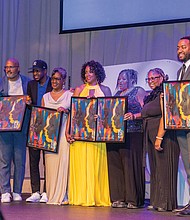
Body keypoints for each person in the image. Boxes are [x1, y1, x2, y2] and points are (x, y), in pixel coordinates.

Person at [127, 68, 179, 212]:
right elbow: (146, 113)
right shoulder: (151, 95)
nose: (151, 81)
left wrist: (159, 137)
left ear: (162, 77)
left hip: (164, 136)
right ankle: (156, 201)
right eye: (149, 79)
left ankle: (166, 202)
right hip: (150, 133)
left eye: (154, 78)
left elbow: (166, 115)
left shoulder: (165, 93)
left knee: (164, 168)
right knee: (155, 169)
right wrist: (134, 116)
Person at [66, 60, 111, 206]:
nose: (88, 74)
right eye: (85, 72)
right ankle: (81, 197)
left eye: (90, 71)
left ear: (97, 73)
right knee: (80, 167)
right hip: (80, 135)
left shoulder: (105, 90)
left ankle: (95, 196)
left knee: (95, 166)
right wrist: (68, 132)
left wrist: (100, 113)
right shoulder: (79, 89)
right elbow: (73, 112)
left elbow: (110, 112)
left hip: (97, 136)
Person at [107, 69, 147, 208]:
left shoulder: (138, 91)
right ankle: (119, 197)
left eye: (124, 79)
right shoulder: (117, 94)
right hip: (117, 134)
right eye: (119, 79)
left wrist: (134, 115)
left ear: (132, 79)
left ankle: (133, 199)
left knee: (130, 165)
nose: (120, 81)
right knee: (116, 165)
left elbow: (146, 111)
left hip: (133, 132)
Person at [0, 58, 30, 203]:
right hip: (4, 127)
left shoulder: (27, 82)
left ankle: (17, 190)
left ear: (18, 68)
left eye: (11, 67)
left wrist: (30, 101)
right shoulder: (1, 82)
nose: (8, 70)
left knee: (19, 160)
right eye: (6, 67)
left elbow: (36, 100)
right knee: (4, 160)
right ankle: (5, 191)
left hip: (21, 126)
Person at [41, 67, 72, 205]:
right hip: (49, 136)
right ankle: (51, 194)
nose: (54, 81)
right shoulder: (45, 97)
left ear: (63, 80)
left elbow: (74, 114)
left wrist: (65, 111)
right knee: (51, 165)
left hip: (62, 135)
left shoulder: (69, 95)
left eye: (58, 79)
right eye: (53, 78)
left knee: (63, 164)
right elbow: (41, 118)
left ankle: (63, 195)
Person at [26, 60, 52, 203]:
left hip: (48, 126)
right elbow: (31, 105)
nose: (35, 74)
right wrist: (28, 104)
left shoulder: (52, 83)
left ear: (45, 71)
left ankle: (47, 190)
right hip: (34, 126)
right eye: (34, 71)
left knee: (47, 161)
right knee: (34, 159)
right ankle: (35, 191)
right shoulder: (31, 85)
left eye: (38, 71)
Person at [173, 35, 190, 216]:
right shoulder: (180, 71)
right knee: (188, 164)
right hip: (181, 124)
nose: (180, 50)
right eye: (178, 47)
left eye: (183, 47)